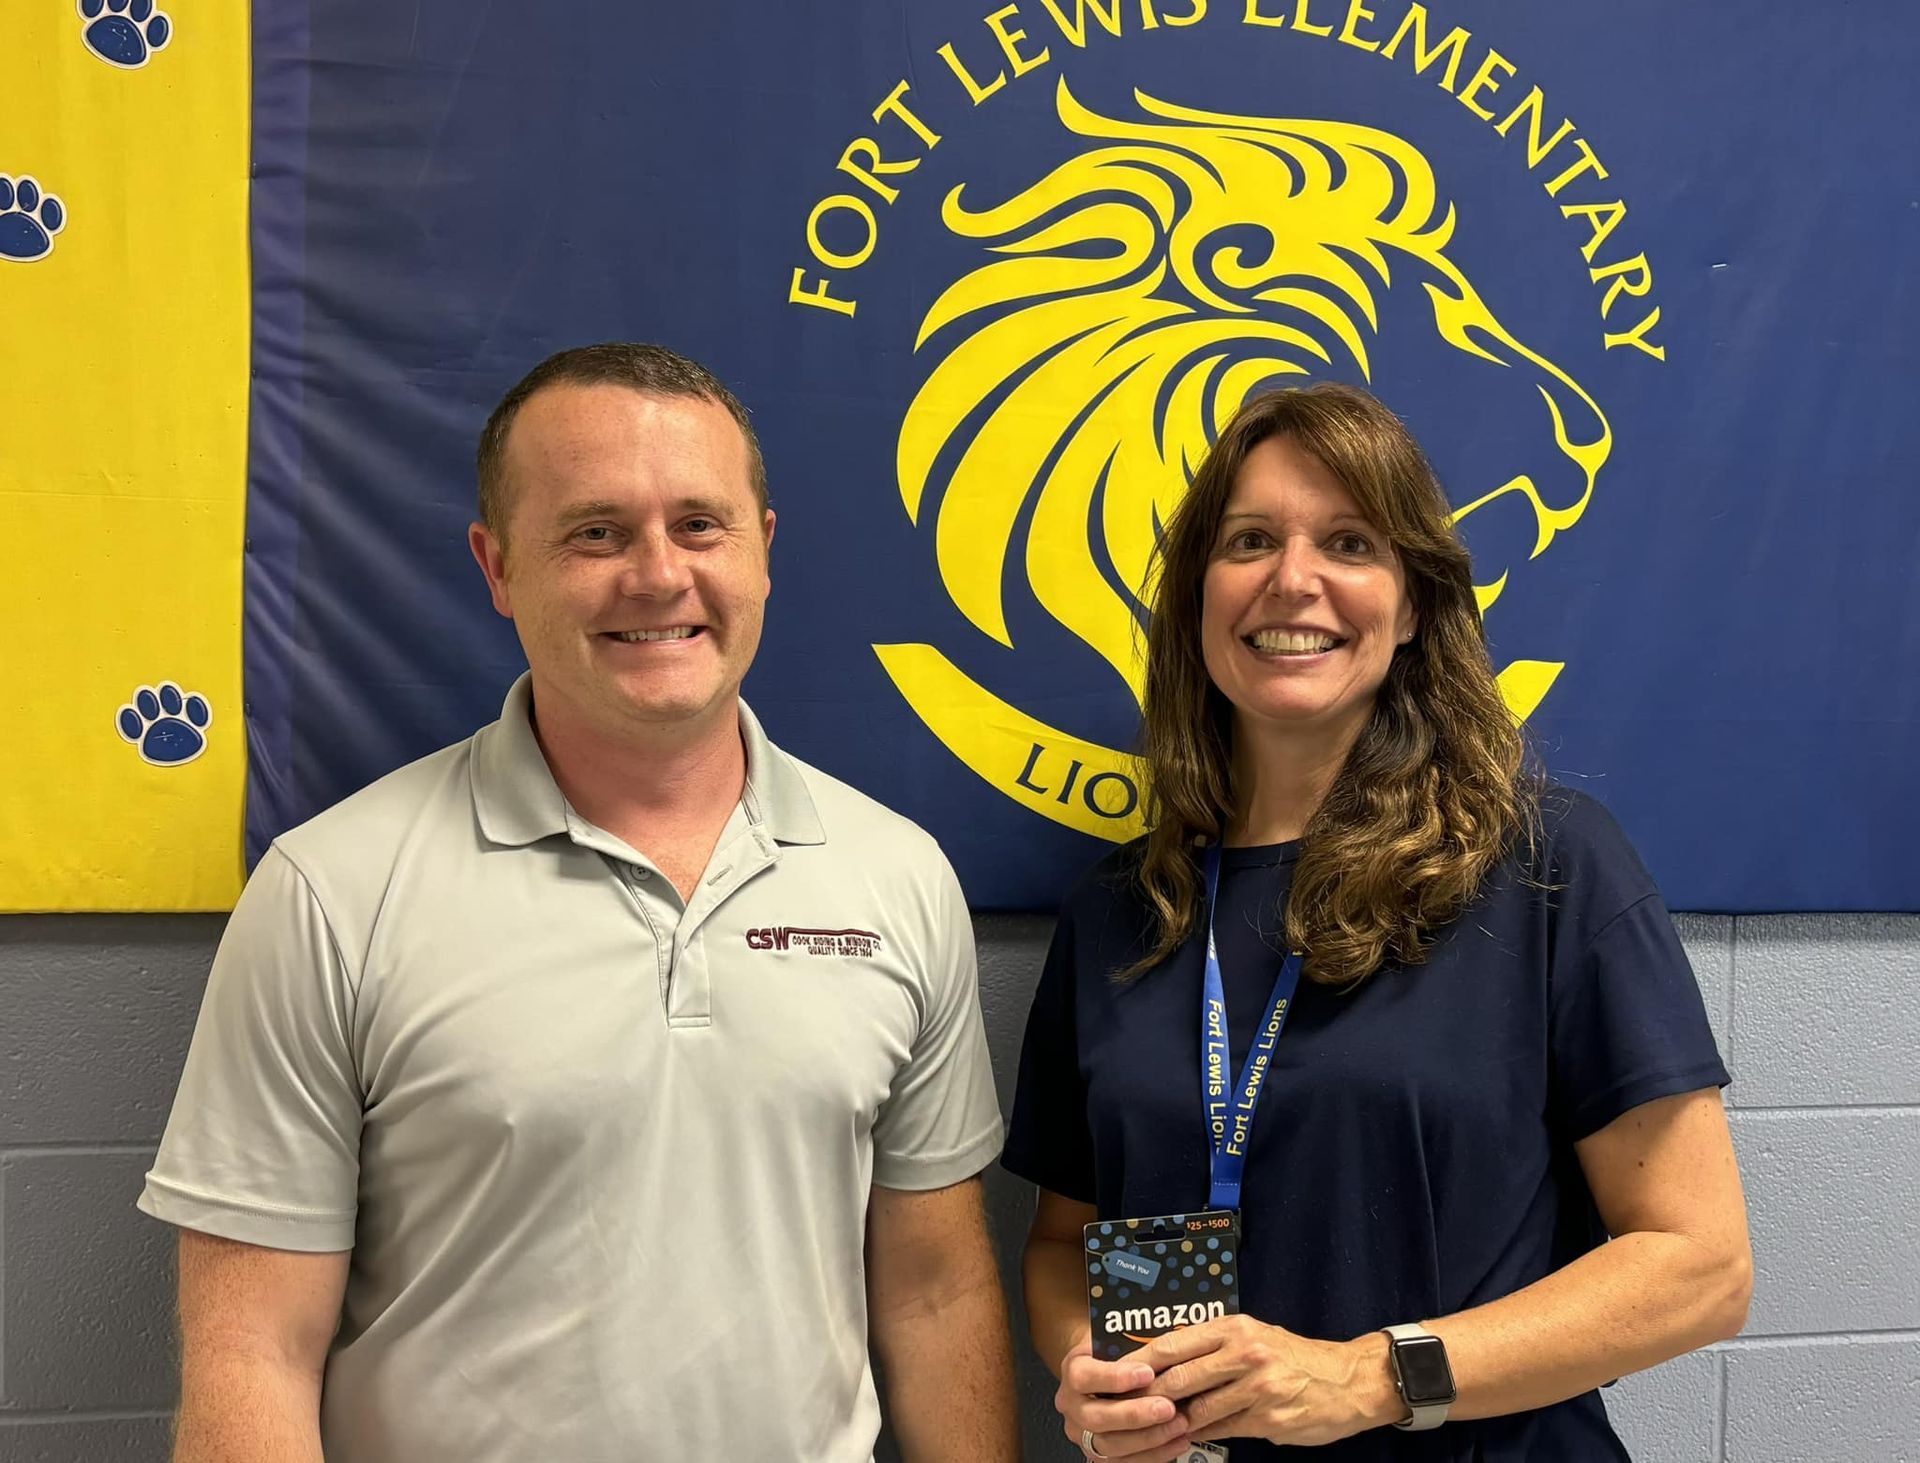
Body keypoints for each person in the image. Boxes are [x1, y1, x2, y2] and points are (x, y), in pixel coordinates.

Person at [138, 342, 1018, 1463]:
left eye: (701, 524)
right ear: (497, 566)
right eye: (596, 532)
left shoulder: (896, 876)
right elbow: (253, 1354)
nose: (658, 575)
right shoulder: (332, 893)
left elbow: (936, 1298)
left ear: (764, 549)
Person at [1002, 383, 1751, 1462]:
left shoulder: (1547, 867)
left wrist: (1370, 1376)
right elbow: (1065, 1240)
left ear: (1410, 607)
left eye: (1349, 541)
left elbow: (1700, 1264)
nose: (1291, 578)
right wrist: (1091, 1368)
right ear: (1199, 599)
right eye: (1249, 539)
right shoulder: (1125, 910)